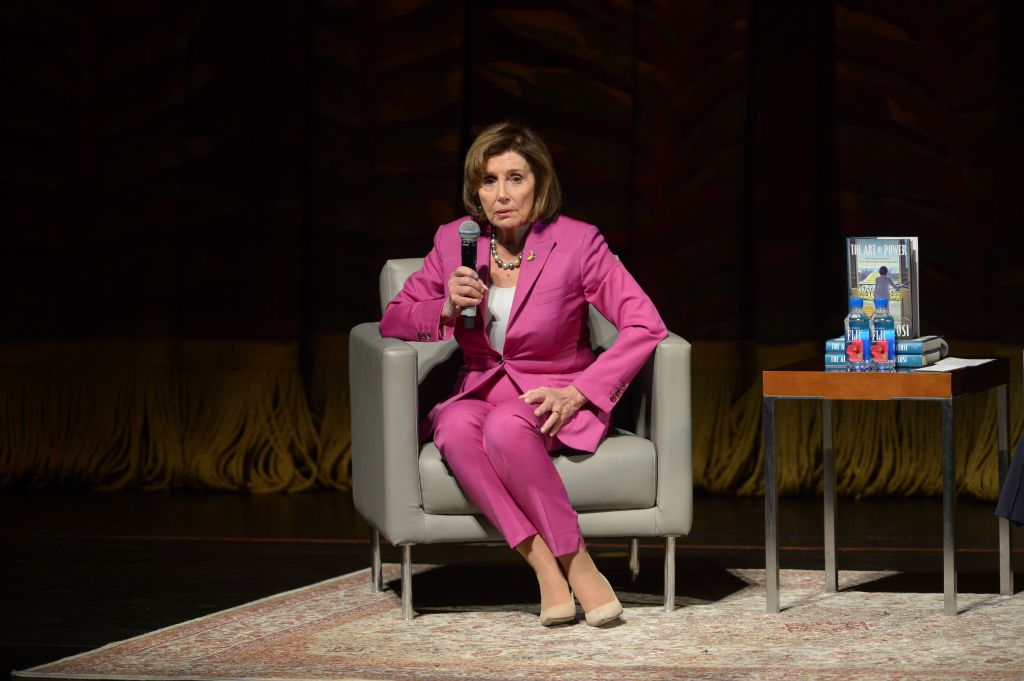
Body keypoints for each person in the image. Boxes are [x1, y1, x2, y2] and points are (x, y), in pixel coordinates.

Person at [379, 121, 668, 627]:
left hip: (552, 395)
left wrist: (581, 391)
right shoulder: (454, 241)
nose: (501, 194)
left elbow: (646, 324)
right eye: (488, 181)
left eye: (515, 178)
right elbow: (394, 317)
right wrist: (444, 308)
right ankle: (544, 564)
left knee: (506, 426)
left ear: (540, 183)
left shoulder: (578, 243)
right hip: (480, 388)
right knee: (452, 428)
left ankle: (577, 563)